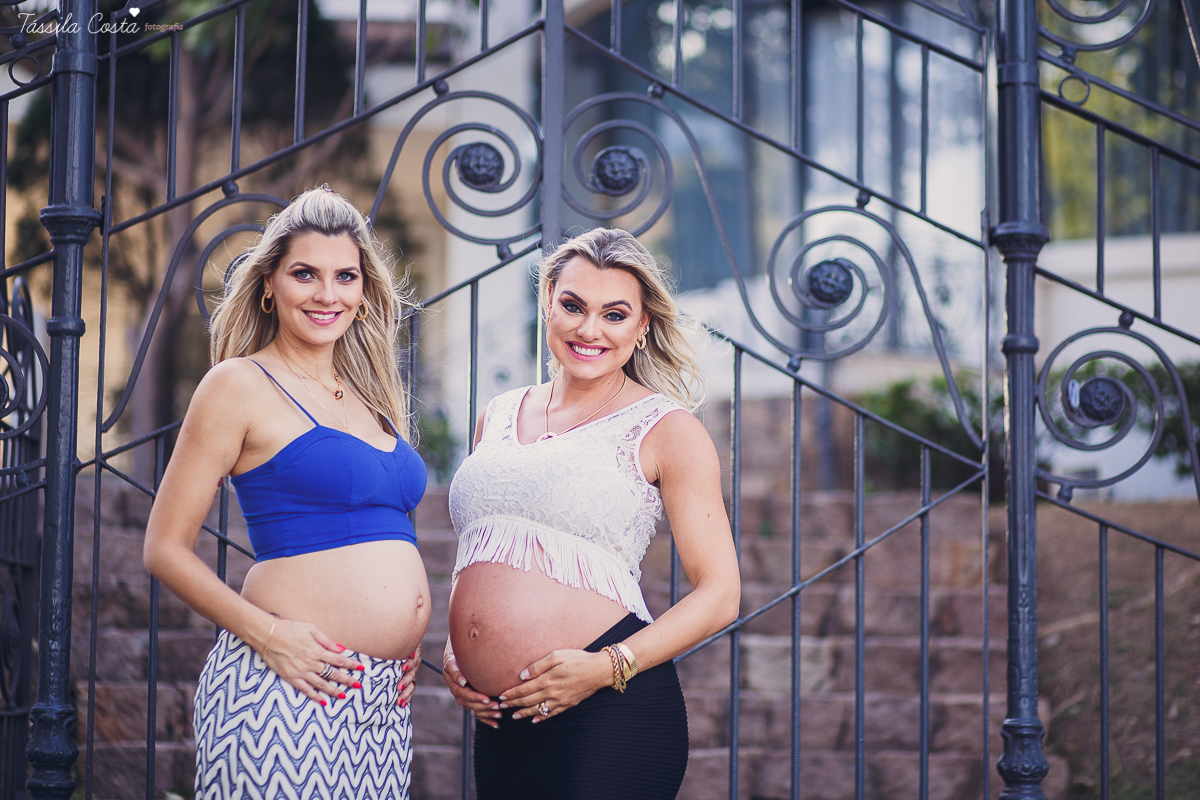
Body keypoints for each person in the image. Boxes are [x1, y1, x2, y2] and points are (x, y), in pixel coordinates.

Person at [143, 187, 428, 799]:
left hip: (379, 703)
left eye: (345, 276)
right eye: (306, 274)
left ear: (363, 289)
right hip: (285, 685)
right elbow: (164, 548)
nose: (328, 294)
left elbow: (382, 535)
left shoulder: (371, 396)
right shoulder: (237, 384)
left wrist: (406, 638)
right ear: (269, 284)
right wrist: (270, 636)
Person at [442, 227, 741, 799]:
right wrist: (463, 651)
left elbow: (720, 594)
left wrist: (609, 667)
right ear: (548, 299)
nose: (589, 330)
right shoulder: (499, 414)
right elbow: (483, 547)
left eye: (614, 314)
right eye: (573, 306)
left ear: (642, 325)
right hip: (503, 717)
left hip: (607, 711)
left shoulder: (667, 429)